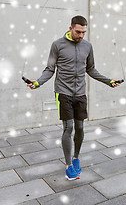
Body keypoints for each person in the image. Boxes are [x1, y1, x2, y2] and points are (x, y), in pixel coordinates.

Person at [27, 15, 121, 180]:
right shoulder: (57, 45)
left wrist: (109, 81)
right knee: (68, 128)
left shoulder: (87, 46)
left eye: (84, 32)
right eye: (78, 32)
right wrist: (38, 83)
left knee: (80, 128)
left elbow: (91, 69)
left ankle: (76, 157)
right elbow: (50, 69)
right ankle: (69, 165)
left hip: (80, 93)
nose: (81, 35)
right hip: (63, 92)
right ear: (70, 28)